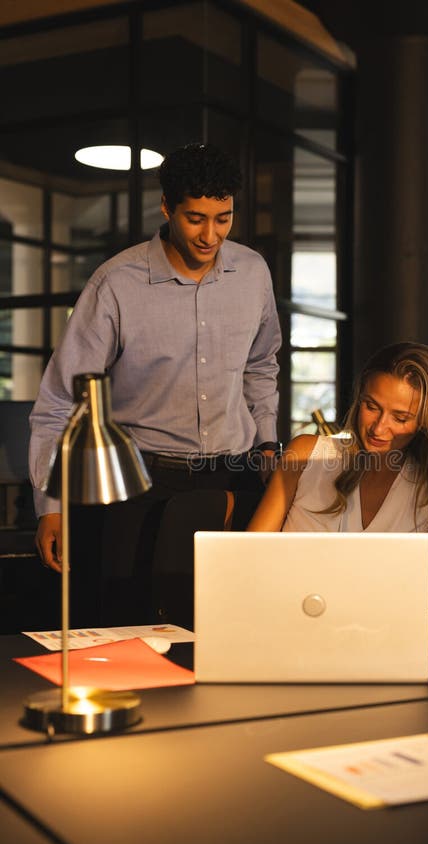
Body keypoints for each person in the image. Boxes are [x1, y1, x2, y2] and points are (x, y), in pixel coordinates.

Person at [30, 142, 281, 626]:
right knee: (132, 626)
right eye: (196, 219)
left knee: (231, 621)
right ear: (166, 207)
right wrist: (51, 505)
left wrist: (267, 442)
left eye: (224, 218)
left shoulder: (252, 273)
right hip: (140, 483)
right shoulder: (116, 284)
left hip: (234, 475)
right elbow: (59, 402)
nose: (211, 235)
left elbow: (261, 364)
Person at [248, 341, 428, 622]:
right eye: (371, 406)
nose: (379, 428)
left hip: (377, 644)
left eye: (400, 417)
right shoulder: (305, 455)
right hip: (283, 622)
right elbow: (243, 562)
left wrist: (418, 613)